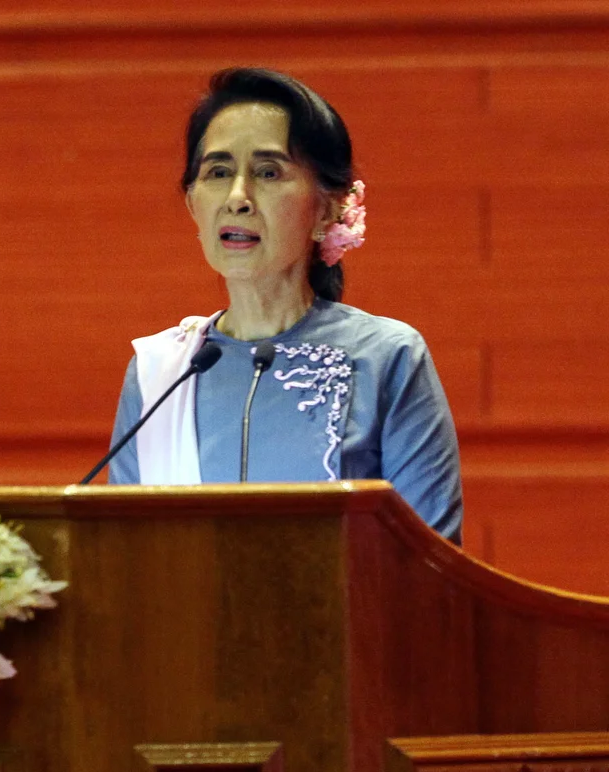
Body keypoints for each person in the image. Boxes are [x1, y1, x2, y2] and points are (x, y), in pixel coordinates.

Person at [107, 67, 463, 543]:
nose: (238, 198)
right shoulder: (160, 374)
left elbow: (429, 563)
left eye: (268, 172)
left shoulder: (388, 357)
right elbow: (123, 556)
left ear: (329, 208)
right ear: (193, 204)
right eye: (218, 173)